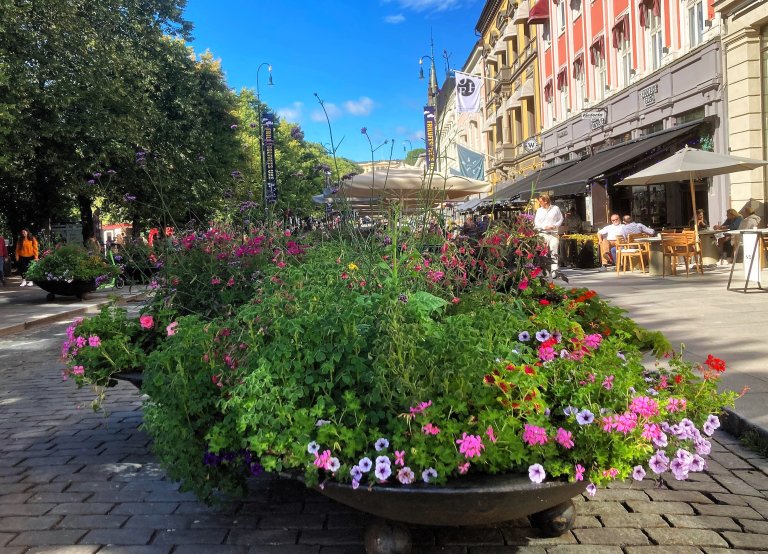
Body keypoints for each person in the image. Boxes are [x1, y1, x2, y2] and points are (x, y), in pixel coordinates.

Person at [533, 193, 563, 270]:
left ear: (545, 201)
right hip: (543, 234)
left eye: (540, 201)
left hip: (553, 234)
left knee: (554, 252)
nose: (539, 203)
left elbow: (561, 219)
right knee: (544, 252)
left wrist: (555, 226)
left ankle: (554, 270)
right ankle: (545, 270)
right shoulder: (539, 210)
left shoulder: (555, 208)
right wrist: (544, 227)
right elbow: (536, 223)